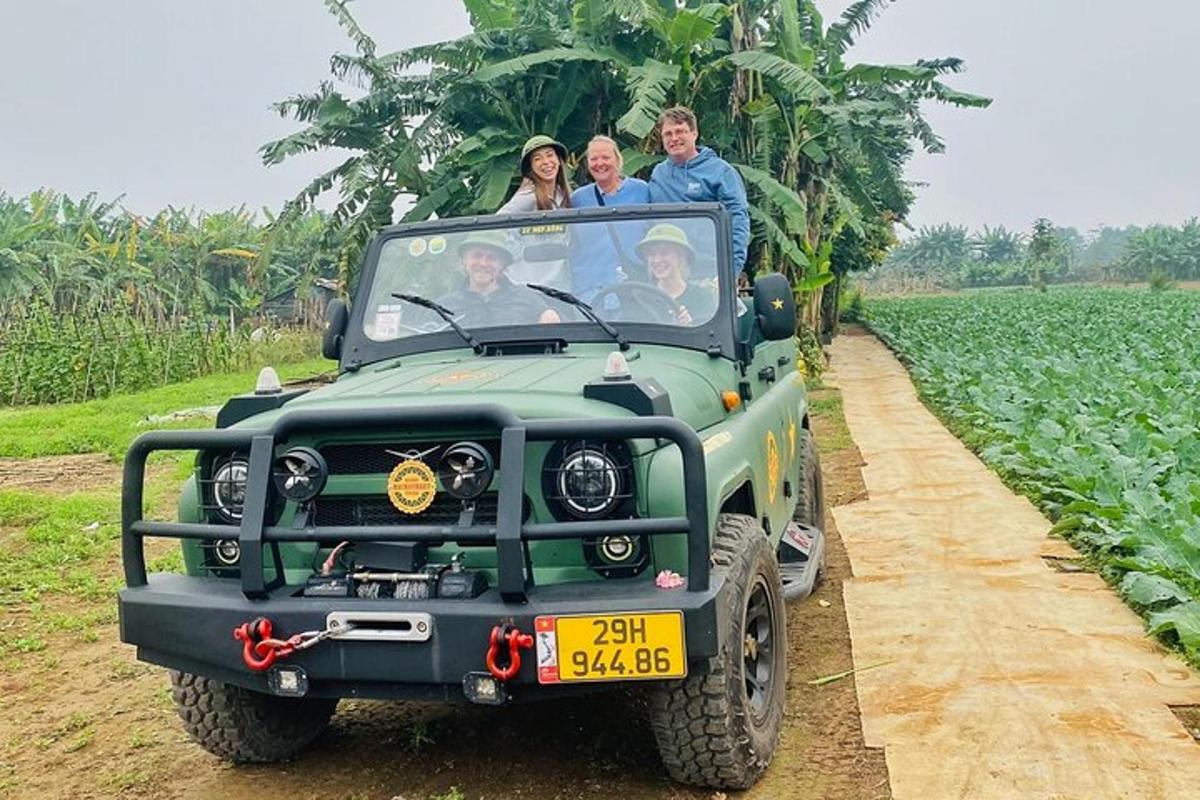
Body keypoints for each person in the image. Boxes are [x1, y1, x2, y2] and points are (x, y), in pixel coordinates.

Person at [648, 106, 750, 280]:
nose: (674, 138)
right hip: (668, 274)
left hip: (710, 272)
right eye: (668, 134)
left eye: (680, 131)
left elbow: (738, 221)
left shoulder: (720, 172)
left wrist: (731, 272)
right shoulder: (659, 174)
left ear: (694, 133)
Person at [569, 135, 652, 298]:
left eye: (606, 157)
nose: (600, 163)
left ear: (617, 159)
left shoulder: (641, 190)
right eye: (594, 159)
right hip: (589, 289)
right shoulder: (578, 199)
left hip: (633, 287)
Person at [437, 230, 560, 328]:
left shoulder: (528, 299)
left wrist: (549, 315)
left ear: (502, 266)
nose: (484, 263)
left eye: (492, 258)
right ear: (464, 261)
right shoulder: (443, 307)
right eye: (477, 255)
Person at [498, 134, 573, 289]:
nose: (546, 162)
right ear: (530, 167)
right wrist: (516, 253)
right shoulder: (527, 197)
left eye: (550, 155)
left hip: (559, 286)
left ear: (559, 160)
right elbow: (496, 225)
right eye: (537, 158)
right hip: (527, 285)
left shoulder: (563, 194)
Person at [635, 224, 716, 327]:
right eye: (652, 254)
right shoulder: (641, 298)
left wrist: (689, 326)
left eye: (664, 253)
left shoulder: (702, 298)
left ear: (681, 257)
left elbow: (707, 337)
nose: (657, 260)